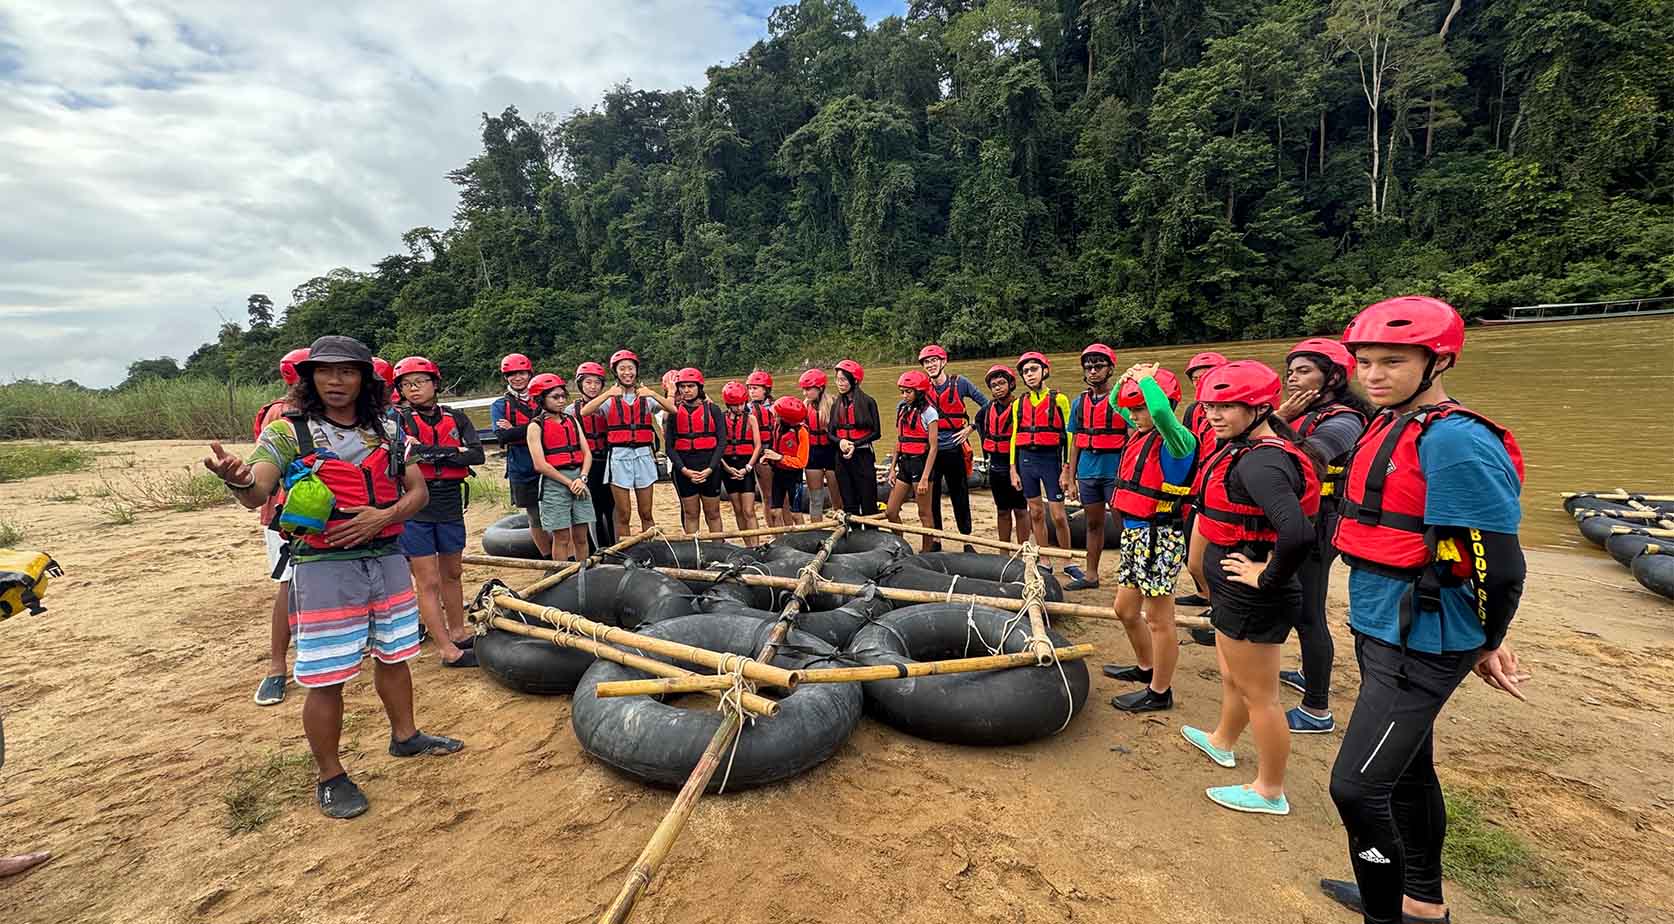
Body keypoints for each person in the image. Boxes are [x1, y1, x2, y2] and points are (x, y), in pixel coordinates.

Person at [1320, 296, 1527, 924]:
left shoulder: (1456, 441)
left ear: (1437, 361)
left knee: (1355, 788)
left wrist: (1489, 640)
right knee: (1408, 771)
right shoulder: (1389, 422)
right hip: (1384, 622)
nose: (1374, 375)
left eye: (1393, 361)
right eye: (1364, 362)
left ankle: (1386, 917)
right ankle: (1421, 902)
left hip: (1424, 638)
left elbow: (1499, 560)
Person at [204, 335, 462, 820]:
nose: (336, 380)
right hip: (325, 567)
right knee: (327, 674)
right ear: (310, 378)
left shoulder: (387, 428)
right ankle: (330, 775)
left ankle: (405, 736)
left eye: (348, 372)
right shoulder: (285, 433)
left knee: (396, 653)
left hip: (385, 556)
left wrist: (381, 518)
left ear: (365, 379)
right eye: (325, 371)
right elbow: (257, 487)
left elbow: (417, 491)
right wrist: (236, 477)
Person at [1178, 360, 1318, 817]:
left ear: (1258, 409)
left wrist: (1266, 576)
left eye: (1228, 406)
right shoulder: (1241, 448)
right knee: (1232, 676)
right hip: (1235, 587)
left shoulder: (1262, 462)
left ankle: (1269, 790)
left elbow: (1297, 533)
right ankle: (1222, 741)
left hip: (1254, 594)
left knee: (1262, 695)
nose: (1215, 415)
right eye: (1210, 406)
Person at [1271, 338, 1373, 734]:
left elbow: (1311, 460)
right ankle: (1306, 673)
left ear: (1332, 377)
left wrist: (1278, 420)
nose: (1293, 377)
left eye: (1304, 371)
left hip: (1321, 523)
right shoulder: (1303, 413)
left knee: (1308, 611)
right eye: (1291, 370)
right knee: (1299, 606)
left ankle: (1317, 710)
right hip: (1297, 517)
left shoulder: (1345, 419)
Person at [1104, 364, 1197, 713]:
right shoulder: (1140, 430)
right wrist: (1129, 376)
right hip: (1134, 534)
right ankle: (1146, 668)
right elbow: (1116, 404)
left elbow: (1158, 410)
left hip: (1160, 537)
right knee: (1125, 609)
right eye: (1133, 408)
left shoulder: (1178, 439)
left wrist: (1146, 379)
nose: (1134, 414)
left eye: (1139, 407)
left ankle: (1160, 692)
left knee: (1159, 620)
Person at [393, 356, 483, 669]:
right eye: (406, 384)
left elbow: (478, 454)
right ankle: (446, 649)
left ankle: (458, 632)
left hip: (449, 501)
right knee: (427, 580)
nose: (412, 389)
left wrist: (429, 453)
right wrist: (452, 453)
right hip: (416, 504)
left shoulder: (456, 418)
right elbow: (403, 455)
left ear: (435, 384)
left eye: (419, 382)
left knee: (453, 572)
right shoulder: (397, 421)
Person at [252, 345, 310, 706]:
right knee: (288, 585)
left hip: (319, 516)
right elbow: (262, 477)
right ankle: (276, 668)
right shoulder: (280, 414)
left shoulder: (330, 413)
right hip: (284, 516)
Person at [579, 350, 677, 537]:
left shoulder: (646, 398)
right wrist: (608, 393)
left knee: (646, 512)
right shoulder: (609, 400)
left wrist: (654, 393)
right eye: (622, 369)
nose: (627, 372)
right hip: (618, 457)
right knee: (623, 514)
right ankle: (625, 552)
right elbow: (585, 412)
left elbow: (672, 409)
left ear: (636, 371)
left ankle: (650, 550)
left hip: (643, 456)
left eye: (630, 368)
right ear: (615, 372)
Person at [1177, 350, 1231, 643]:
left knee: (1215, 559)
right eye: (1196, 380)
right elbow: (1189, 449)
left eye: (1206, 377)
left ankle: (1220, 612)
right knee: (1193, 556)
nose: (1200, 384)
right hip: (1199, 487)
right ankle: (1204, 595)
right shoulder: (1193, 411)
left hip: (1224, 493)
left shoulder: (1238, 412)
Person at [1065, 343, 1127, 589]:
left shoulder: (1121, 401)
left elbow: (1133, 438)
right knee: (1093, 524)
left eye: (1099, 366)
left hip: (1116, 474)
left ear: (1110, 369)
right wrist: (1070, 477)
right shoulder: (1079, 403)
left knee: (1125, 525)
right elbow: (1075, 442)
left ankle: (1131, 575)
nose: (1093, 371)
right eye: (1089, 367)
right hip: (1089, 473)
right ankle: (1091, 575)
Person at [918, 344, 988, 548]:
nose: (930, 365)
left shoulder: (960, 383)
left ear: (943, 361)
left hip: (955, 448)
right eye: (926, 362)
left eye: (933, 361)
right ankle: (936, 539)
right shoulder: (922, 387)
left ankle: (966, 538)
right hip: (931, 450)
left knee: (960, 494)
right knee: (933, 497)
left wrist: (972, 427)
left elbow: (986, 404)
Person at [526, 373, 595, 563]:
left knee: (581, 536)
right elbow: (540, 464)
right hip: (555, 484)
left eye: (563, 396)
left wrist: (582, 478)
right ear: (542, 399)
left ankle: (584, 573)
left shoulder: (571, 420)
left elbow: (587, 453)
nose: (561, 401)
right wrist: (569, 482)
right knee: (562, 537)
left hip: (578, 479)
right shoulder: (535, 426)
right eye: (555, 397)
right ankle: (562, 578)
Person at [1008, 352, 1073, 556]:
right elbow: (1014, 437)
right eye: (1025, 371)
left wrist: (1067, 468)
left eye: (1034, 369)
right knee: (1035, 513)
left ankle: (1067, 559)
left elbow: (1069, 436)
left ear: (1045, 371)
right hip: (1026, 461)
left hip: (1051, 461)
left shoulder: (1059, 399)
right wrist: (1013, 470)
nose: (1029, 374)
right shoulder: (1018, 404)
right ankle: (1044, 558)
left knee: (1059, 516)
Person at [490, 353, 551, 559]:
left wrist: (516, 429)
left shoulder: (542, 399)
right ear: (506, 377)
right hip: (522, 469)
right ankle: (547, 557)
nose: (517, 378)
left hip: (550, 464)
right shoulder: (500, 405)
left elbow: (552, 427)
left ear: (529, 374)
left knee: (560, 512)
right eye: (512, 374)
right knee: (534, 516)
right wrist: (534, 428)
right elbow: (503, 436)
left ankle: (565, 554)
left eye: (522, 373)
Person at [666, 368, 726, 536]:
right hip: (685, 470)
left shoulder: (713, 410)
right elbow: (669, 447)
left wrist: (710, 469)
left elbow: (722, 442)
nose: (686, 390)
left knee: (713, 513)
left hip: (709, 468)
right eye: (683, 386)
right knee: (691, 514)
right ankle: (695, 552)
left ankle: (718, 549)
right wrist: (684, 470)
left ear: (699, 387)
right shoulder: (673, 412)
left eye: (691, 386)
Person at [886, 371, 939, 549]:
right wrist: (892, 468)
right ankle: (901, 545)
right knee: (891, 511)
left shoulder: (930, 413)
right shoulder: (902, 409)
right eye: (902, 391)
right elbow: (899, 440)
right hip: (905, 464)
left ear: (919, 392)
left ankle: (927, 551)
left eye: (908, 392)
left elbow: (933, 447)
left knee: (924, 513)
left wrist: (925, 477)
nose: (904, 396)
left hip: (921, 465)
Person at [977, 365, 1029, 543]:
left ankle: (1024, 550)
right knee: (1002, 510)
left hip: (1018, 465)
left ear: (1011, 384)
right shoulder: (986, 409)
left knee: (1021, 510)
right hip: (996, 465)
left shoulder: (1021, 406)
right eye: (994, 385)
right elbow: (978, 424)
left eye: (1001, 383)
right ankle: (1004, 550)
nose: (997, 388)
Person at [568, 361, 617, 549]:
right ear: (580, 384)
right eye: (588, 382)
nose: (593, 387)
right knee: (593, 508)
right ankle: (596, 549)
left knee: (611, 507)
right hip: (587, 466)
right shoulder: (571, 412)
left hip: (608, 462)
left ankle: (615, 546)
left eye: (597, 383)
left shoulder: (610, 406)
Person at [830, 360, 880, 517]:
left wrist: (855, 444)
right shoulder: (836, 404)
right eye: (838, 379)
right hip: (842, 458)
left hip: (863, 456)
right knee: (849, 501)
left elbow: (876, 432)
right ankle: (854, 535)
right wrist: (841, 442)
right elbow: (830, 433)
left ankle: (871, 534)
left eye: (843, 380)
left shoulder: (868, 402)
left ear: (855, 380)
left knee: (868, 500)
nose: (840, 383)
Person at [718, 381, 764, 541]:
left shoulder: (751, 419)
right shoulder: (722, 419)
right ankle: (747, 544)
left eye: (741, 404)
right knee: (737, 509)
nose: (739, 408)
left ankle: (756, 545)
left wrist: (748, 467)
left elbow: (757, 446)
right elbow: (718, 447)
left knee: (748, 510)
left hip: (746, 465)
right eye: (735, 405)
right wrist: (727, 468)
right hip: (728, 466)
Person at [799, 369, 844, 521]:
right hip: (813, 454)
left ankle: (841, 527)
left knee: (837, 498)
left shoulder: (834, 403)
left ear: (820, 388)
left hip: (832, 452)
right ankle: (815, 529)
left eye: (808, 389)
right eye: (803, 389)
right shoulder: (803, 407)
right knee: (816, 499)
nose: (805, 393)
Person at [762, 395, 810, 526]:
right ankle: (780, 541)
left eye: (777, 416)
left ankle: (802, 540)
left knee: (796, 513)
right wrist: (768, 457)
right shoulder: (777, 428)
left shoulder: (801, 432)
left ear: (787, 419)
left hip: (794, 477)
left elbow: (802, 462)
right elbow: (775, 448)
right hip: (778, 473)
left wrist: (780, 458)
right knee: (775, 512)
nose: (774, 418)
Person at [746, 370, 777, 516]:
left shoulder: (775, 407)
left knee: (782, 498)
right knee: (768, 496)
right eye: (750, 388)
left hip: (775, 451)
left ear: (766, 390)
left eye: (756, 388)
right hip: (759, 454)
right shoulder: (746, 409)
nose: (752, 391)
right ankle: (773, 533)